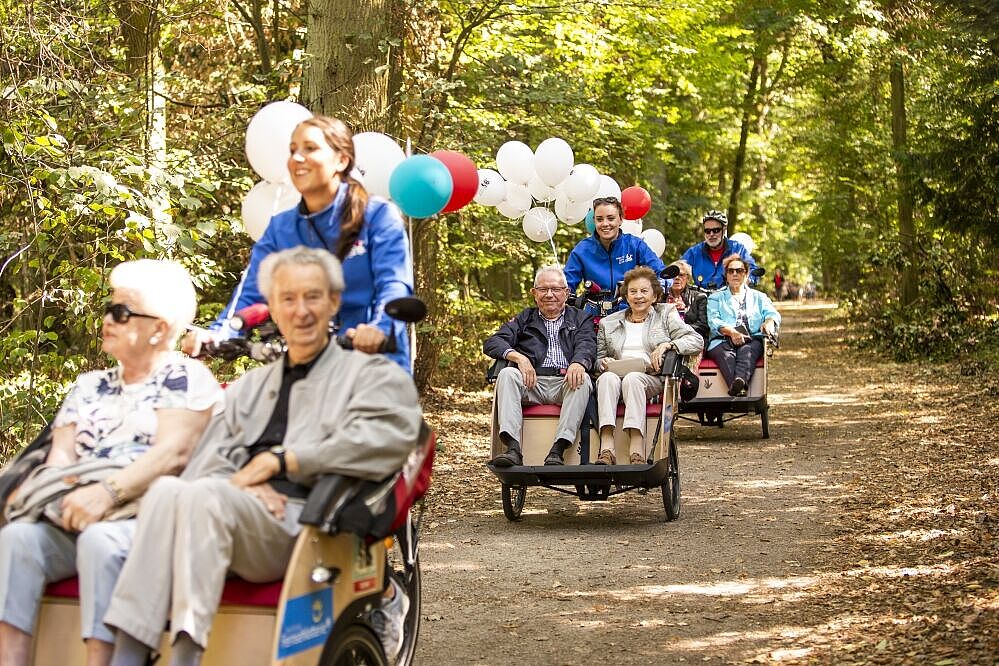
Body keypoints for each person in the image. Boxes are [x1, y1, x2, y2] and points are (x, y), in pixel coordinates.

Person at [104, 247, 422, 665]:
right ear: (272, 308)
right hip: (234, 511)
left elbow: (390, 439)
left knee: (201, 497)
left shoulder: (371, 375)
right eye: (287, 299)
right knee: (167, 490)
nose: (301, 310)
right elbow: (212, 458)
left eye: (313, 297)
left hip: (307, 520)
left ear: (333, 303)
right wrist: (242, 487)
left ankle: (184, 656)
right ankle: (128, 653)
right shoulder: (250, 388)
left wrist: (285, 460)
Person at [0, 260, 222, 666]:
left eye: (122, 312)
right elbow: (60, 458)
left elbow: (173, 454)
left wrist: (106, 494)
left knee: (101, 543)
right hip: (77, 508)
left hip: (145, 516)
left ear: (159, 327)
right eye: (109, 309)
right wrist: (53, 496)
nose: (109, 319)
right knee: (17, 541)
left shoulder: (187, 379)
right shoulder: (89, 386)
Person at [184, 115, 414, 371]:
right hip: (309, 367)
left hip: (374, 365)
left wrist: (378, 329)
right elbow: (250, 290)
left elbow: (394, 284)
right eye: (293, 150)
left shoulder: (378, 215)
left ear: (342, 160)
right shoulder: (281, 227)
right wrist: (220, 333)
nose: (297, 158)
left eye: (310, 148)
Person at [483, 265, 596, 467]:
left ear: (566, 292)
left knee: (583, 379)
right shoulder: (525, 318)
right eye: (543, 289)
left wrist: (579, 362)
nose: (549, 295)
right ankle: (512, 448)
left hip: (565, 382)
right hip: (532, 382)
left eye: (555, 289)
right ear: (534, 294)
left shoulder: (580, 318)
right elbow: (493, 342)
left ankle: (558, 449)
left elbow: (587, 344)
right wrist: (519, 358)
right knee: (508, 374)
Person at [593, 267, 702, 465]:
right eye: (633, 291)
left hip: (651, 377)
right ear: (626, 295)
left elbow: (696, 340)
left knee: (633, 379)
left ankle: (637, 447)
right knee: (606, 378)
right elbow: (597, 359)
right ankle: (606, 447)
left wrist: (669, 344)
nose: (638, 296)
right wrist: (603, 363)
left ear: (654, 295)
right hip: (616, 376)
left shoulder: (666, 314)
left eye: (644, 291)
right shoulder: (608, 323)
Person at [563, 196, 665, 307]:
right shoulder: (581, 250)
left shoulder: (635, 244)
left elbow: (662, 273)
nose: (605, 224)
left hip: (631, 311)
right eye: (599, 219)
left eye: (610, 218)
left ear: (621, 219)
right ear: (594, 221)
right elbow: (566, 285)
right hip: (593, 314)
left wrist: (654, 290)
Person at [706, 254, 780, 397]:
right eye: (731, 271)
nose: (735, 274)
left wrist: (769, 322)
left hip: (751, 338)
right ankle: (738, 385)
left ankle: (739, 382)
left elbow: (772, 313)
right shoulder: (716, 297)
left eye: (739, 271)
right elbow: (713, 321)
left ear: (746, 275)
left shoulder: (759, 297)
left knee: (748, 351)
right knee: (725, 354)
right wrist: (732, 332)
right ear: (726, 275)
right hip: (723, 339)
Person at [681, 210, 758, 290]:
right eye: (707, 231)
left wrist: (748, 280)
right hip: (700, 298)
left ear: (724, 230)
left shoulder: (737, 248)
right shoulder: (694, 252)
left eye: (716, 230)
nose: (711, 234)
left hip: (730, 297)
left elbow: (753, 269)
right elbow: (679, 268)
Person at [663, 259, 709, 342]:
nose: (677, 278)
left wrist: (681, 331)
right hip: (665, 338)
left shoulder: (699, 297)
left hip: (692, 339)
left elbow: (703, 325)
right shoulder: (661, 297)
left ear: (687, 278)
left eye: (681, 275)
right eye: (674, 275)